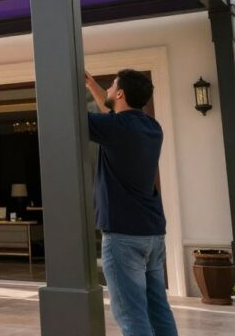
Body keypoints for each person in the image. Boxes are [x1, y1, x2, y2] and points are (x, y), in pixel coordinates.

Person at [85, 69, 178, 336]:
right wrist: (92, 84)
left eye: (112, 86)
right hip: (152, 234)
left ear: (121, 93)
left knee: (131, 315)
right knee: (158, 309)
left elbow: (74, 116)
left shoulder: (114, 128)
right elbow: (113, 113)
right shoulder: (152, 128)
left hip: (123, 236)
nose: (110, 90)